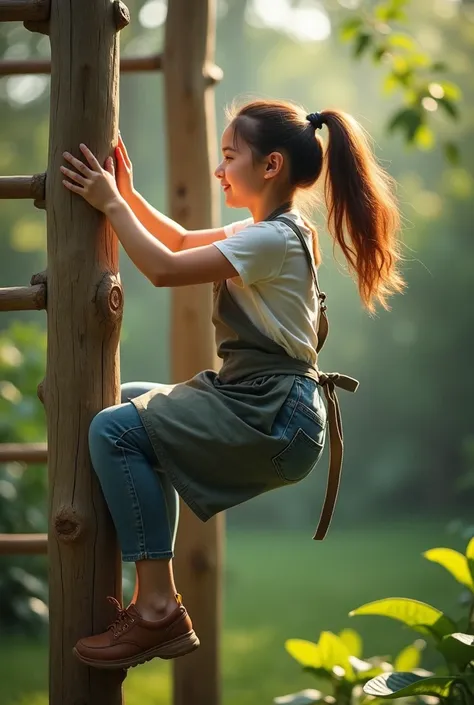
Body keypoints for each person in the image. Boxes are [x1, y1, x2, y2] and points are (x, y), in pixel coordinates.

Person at [60, 99, 404, 670]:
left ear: (269, 166)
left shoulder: (272, 241)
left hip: (274, 413)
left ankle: (155, 609)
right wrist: (126, 193)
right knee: (120, 407)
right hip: (260, 401)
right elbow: (177, 239)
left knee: (115, 430)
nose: (219, 170)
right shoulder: (272, 231)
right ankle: (151, 595)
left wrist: (111, 204)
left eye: (229, 156)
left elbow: (165, 269)